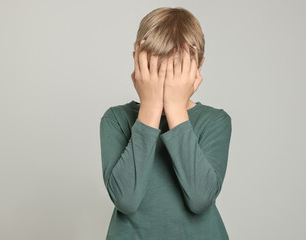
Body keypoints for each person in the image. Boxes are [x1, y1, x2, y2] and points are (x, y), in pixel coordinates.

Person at [99, 7, 232, 240]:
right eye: (155, 68)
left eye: (176, 71)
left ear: (198, 68)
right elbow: (126, 199)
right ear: (138, 63)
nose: (164, 79)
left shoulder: (215, 121)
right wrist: (150, 107)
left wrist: (175, 109)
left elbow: (200, 199)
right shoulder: (116, 120)